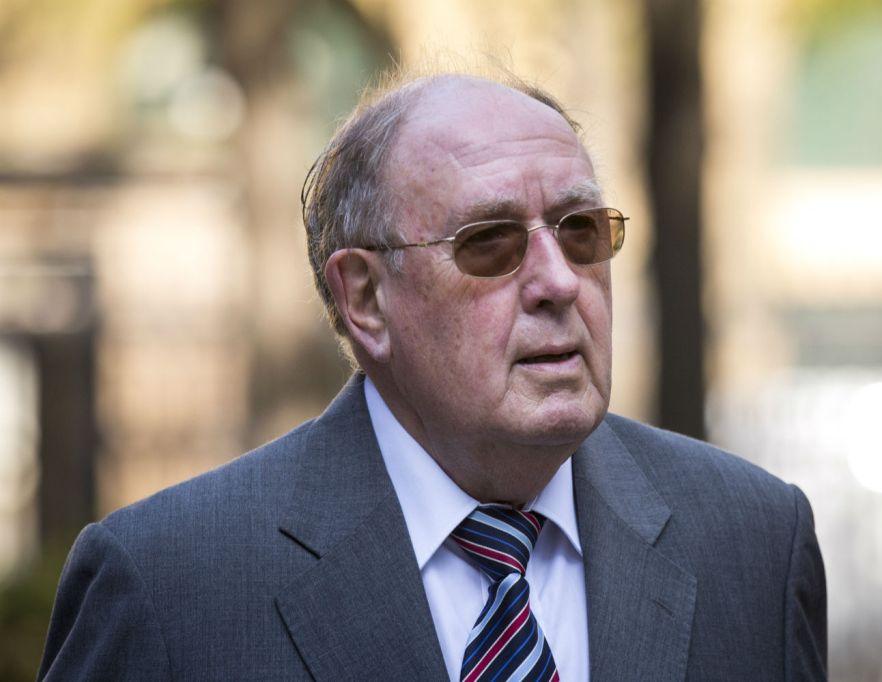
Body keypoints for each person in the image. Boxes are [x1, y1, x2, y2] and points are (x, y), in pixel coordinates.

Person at [38, 70, 827, 681]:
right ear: (365, 298)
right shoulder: (171, 584)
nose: (558, 282)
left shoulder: (753, 542)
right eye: (490, 242)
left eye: (581, 231)